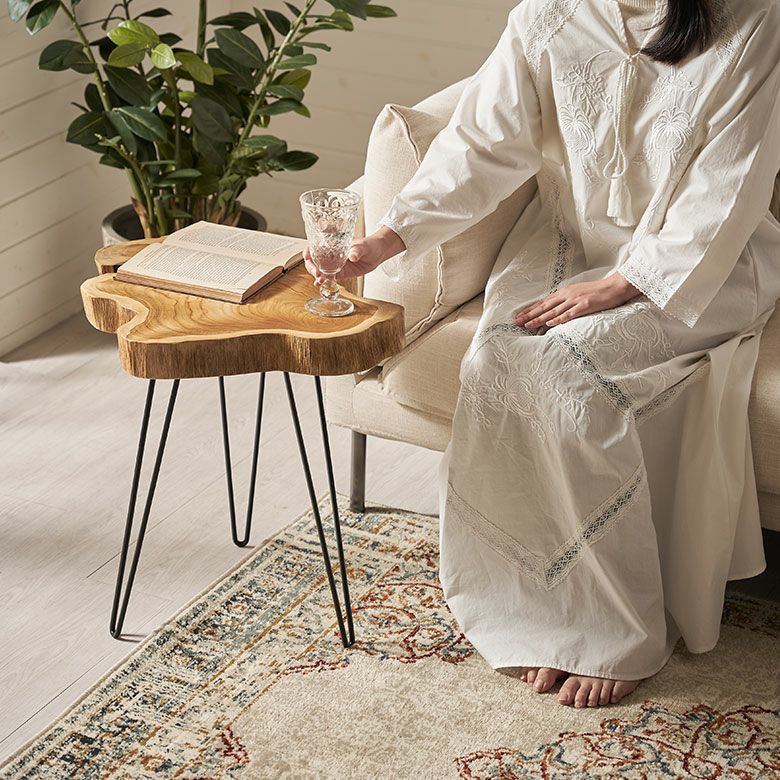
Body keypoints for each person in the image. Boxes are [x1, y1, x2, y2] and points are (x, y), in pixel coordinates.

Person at [304, 0, 780, 707]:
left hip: (697, 268)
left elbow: (731, 183)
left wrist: (623, 284)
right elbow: (479, 144)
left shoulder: (756, 20)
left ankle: (615, 628)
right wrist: (387, 238)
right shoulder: (549, 15)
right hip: (568, 244)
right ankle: (539, 603)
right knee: (495, 362)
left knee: (569, 375)